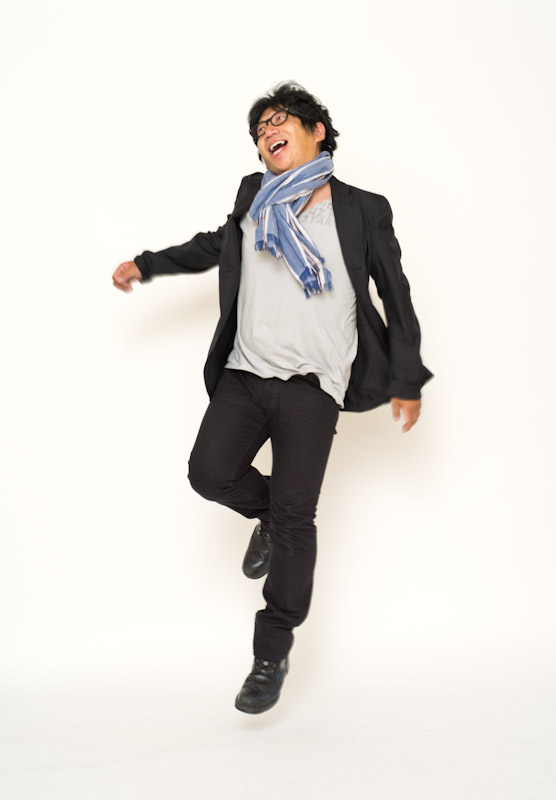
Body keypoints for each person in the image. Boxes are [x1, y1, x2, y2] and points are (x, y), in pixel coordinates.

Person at [112, 81, 432, 714]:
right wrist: (147, 264)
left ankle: (271, 653)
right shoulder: (254, 198)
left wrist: (406, 378)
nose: (267, 133)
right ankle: (266, 517)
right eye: (259, 130)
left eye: (279, 121)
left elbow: (395, 292)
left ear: (317, 131)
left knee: (296, 518)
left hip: (314, 388)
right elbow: (214, 246)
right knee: (209, 474)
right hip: (245, 373)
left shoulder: (363, 209)